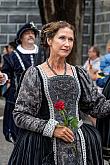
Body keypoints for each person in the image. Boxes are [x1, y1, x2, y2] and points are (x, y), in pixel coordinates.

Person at [8, 20, 110, 165]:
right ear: (49, 40)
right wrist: (51, 129)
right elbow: (20, 115)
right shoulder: (35, 74)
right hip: (43, 147)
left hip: (79, 145)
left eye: (71, 39)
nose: (67, 44)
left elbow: (96, 106)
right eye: (62, 38)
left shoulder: (79, 73)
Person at [0, 22, 46, 143]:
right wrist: (3, 77)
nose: (31, 35)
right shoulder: (11, 57)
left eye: (33, 33)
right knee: (18, 134)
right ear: (20, 38)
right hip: (17, 98)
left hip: (41, 99)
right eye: (27, 33)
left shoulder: (44, 54)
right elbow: (6, 73)